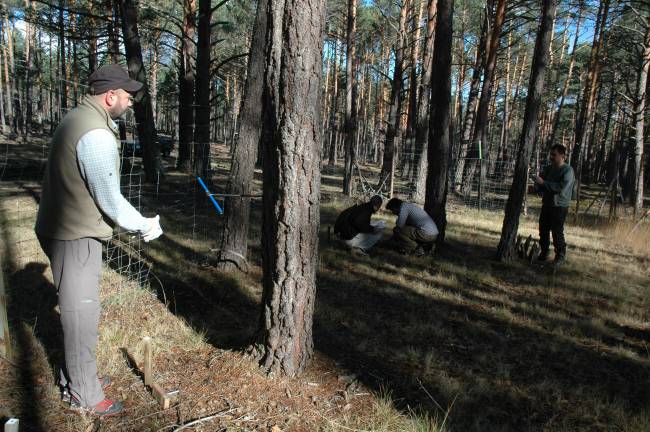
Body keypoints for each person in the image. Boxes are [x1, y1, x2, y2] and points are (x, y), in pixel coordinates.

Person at [34, 64, 163, 416]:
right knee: (81, 318)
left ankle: (77, 378)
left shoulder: (79, 119)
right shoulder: (96, 134)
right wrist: (145, 226)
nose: (130, 102)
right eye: (127, 96)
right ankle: (84, 396)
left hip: (62, 229)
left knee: (79, 313)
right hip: (74, 236)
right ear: (110, 97)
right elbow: (110, 199)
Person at [532, 144, 575, 265]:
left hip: (560, 206)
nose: (551, 157)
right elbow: (542, 184)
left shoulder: (568, 171)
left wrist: (543, 183)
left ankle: (560, 255)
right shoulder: (549, 169)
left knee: (556, 231)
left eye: (554, 154)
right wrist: (537, 187)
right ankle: (544, 252)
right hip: (547, 203)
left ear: (562, 156)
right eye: (551, 154)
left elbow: (559, 188)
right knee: (543, 229)